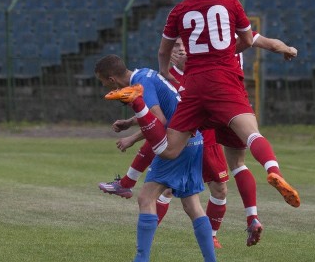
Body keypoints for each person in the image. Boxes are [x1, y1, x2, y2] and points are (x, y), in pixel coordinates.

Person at [116, 0, 301, 211]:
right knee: (251, 137)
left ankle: (138, 107)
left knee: (169, 149)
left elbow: (162, 52)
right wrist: (287, 49)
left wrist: (164, 73)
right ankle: (273, 171)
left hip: (195, 87)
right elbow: (253, 40)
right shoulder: (230, 3)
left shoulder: (179, 11)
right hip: (225, 85)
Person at [100, 33, 298, 247]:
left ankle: (144, 231)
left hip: (205, 114)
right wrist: (288, 49)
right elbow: (263, 43)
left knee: (188, 175)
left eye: (182, 45)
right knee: (227, 168)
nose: (180, 49)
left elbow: (161, 116)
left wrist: (132, 133)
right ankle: (250, 213)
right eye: (176, 46)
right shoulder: (231, 39)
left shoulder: (197, 52)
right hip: (224, 108)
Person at [95, 54, 220, 262]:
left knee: (146, 198)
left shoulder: (140, 83)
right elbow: (163, 110)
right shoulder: (146, 73)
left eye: (103, 82)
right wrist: (131, 125)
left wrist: (133, 137)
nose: (103, 86)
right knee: (192, 205)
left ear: (112, 80)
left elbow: (158, 120)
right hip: (195, 140)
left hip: (178, 143)